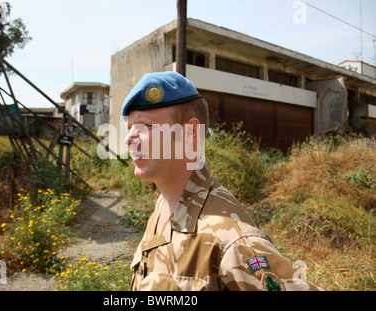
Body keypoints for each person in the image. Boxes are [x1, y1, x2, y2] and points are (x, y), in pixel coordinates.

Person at [122, 71, 321, 291]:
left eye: (145, 126)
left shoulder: (232, 241)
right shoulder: (163, 206)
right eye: (129, 127)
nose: (129, 137)